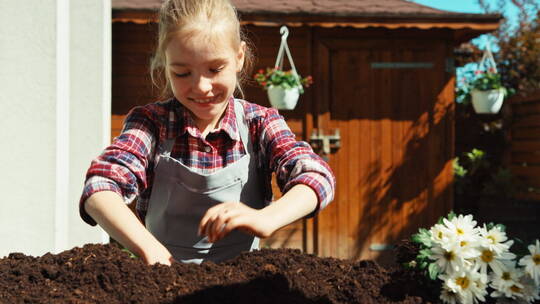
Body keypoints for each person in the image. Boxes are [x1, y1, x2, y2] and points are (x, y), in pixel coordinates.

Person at [79, 0, 335, 266]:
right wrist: (150, 251)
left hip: (241, 286)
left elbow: (315, 175)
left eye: (215, 69)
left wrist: (267, 218)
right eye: (182, 73)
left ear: (239, 58)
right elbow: (99, 188)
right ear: (165, 65)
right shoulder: (151, 124)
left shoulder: (260, 123)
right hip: (161, 280)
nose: (201, 87)